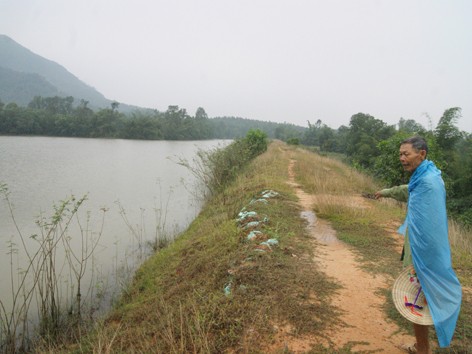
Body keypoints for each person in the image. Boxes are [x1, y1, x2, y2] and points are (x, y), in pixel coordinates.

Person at [375, 136, 462, 354]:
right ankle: (421, 345)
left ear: (421, 154)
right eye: (400, 154)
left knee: (417, 299)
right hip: (420, 248)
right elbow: (408, 190)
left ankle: (423, 349)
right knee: (420, 298)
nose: (402, 158)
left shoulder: (427, 182)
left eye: (406, 154)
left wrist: (422, 262)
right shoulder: (427, 175)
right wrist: (386, 192)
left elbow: (429, 228)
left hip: (423, 253)